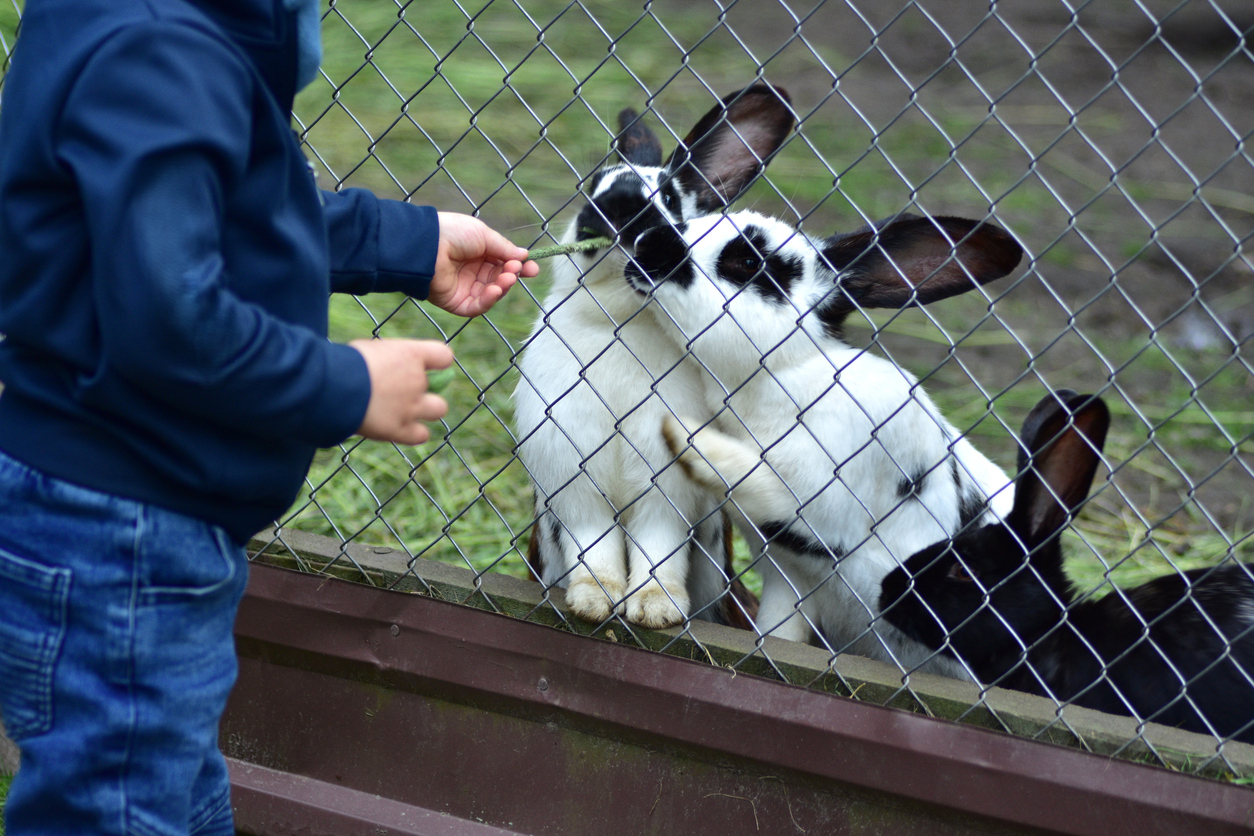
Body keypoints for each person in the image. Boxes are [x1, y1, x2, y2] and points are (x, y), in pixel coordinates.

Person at [0, 0, 538, 833]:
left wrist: (406, 240)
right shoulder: (160, 50)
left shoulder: (145, 29)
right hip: (122, 528)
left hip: (126, 508)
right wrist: (342, 385)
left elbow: (213, 222)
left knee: (165, 795)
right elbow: (168, 316)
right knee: (124, 809)